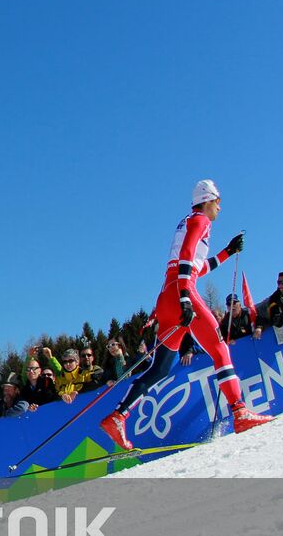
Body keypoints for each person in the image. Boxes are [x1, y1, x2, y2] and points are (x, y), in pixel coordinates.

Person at [100, 180, 271, 449]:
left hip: (168, 296)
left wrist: (227, 252)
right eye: (218, 201)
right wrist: (184, 298)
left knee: (160, 368)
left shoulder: (187, 222)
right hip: (182, 294)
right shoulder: (201, 220)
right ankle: (239, 412)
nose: (220, 207)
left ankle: (118, 416)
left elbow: (194, 266)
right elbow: (188, 258)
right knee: (219, 349)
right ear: (207, 199)